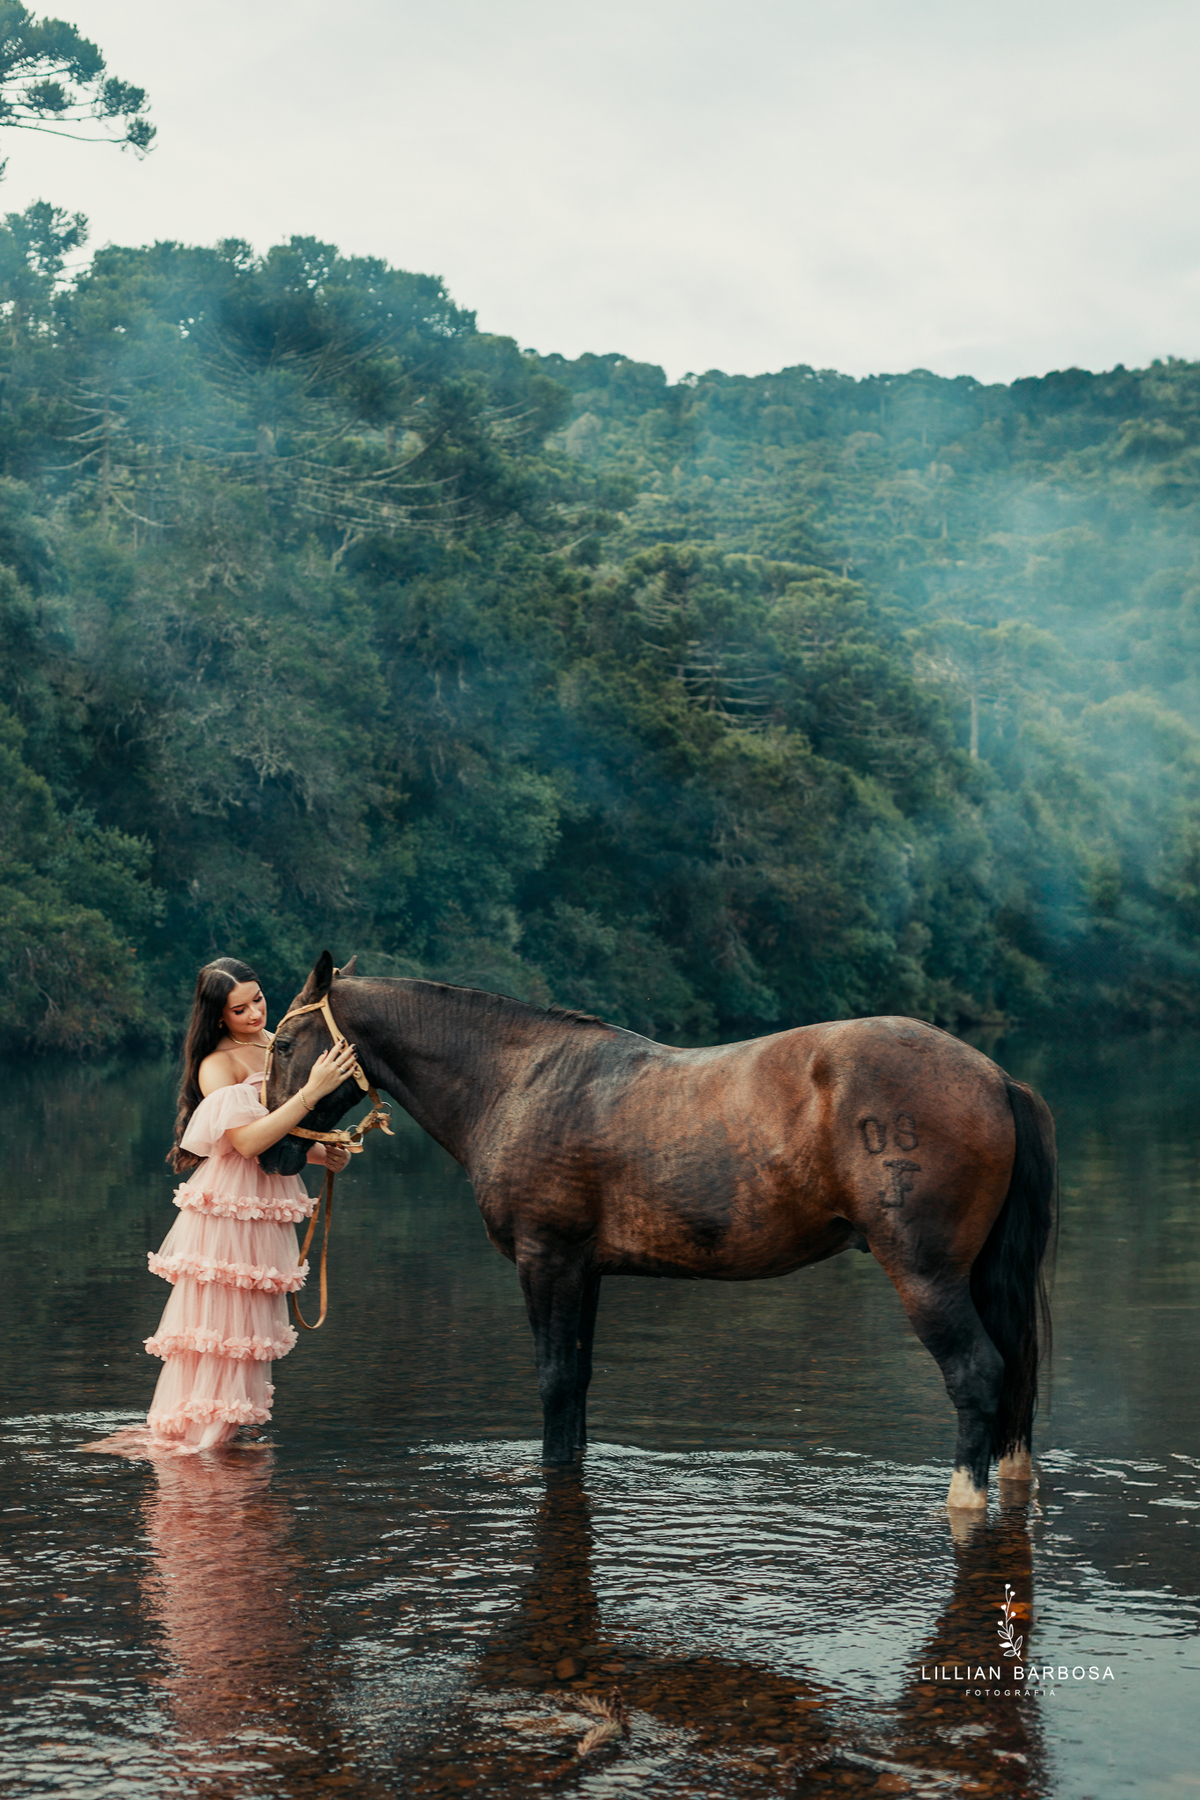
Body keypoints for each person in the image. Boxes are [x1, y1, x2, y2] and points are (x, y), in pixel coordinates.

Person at [141, 956, 356, 1453]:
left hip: (268, 1199)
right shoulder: (218, 1064)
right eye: (241, 1009)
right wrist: (312, 1091)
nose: (256, 1014)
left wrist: (324, 1153)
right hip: (233, 1206)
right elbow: (245, 1142)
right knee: (223, 1327)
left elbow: (281, 1131)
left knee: (251, 1326)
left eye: (258, 999)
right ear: (219, 1016)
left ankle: (226, 1434)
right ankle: (204, 1441)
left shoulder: (276, 1042)